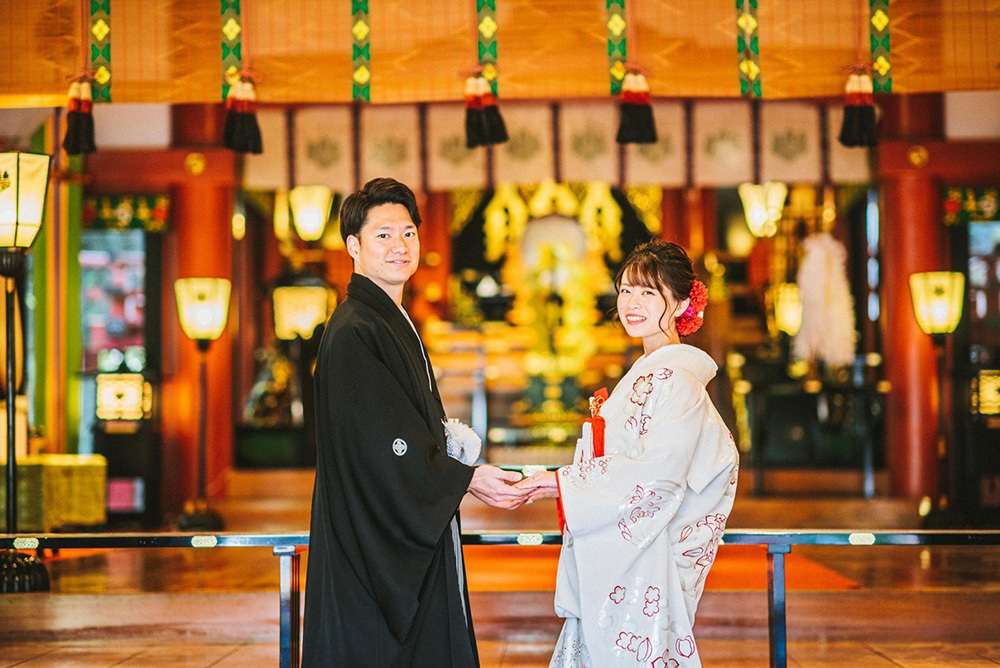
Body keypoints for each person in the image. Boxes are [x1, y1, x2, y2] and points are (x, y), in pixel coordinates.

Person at [302, 177, 527, 667]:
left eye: (408, 233)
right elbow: (383, 441)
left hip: (389, 522)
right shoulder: (354, 328)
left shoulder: (389, 319)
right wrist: (462, 477)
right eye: (383, 235)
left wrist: (450, 458)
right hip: (370, 539)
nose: (400, 246)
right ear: (353, 246)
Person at [517, 240, 739, 667]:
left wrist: (563, 482)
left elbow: (657, 475)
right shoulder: (652, 372)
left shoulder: (678, 382)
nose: (632, 303)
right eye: (625, 290)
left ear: (681, 303)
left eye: (648, 292)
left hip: (646, 555)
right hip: (629, 548)